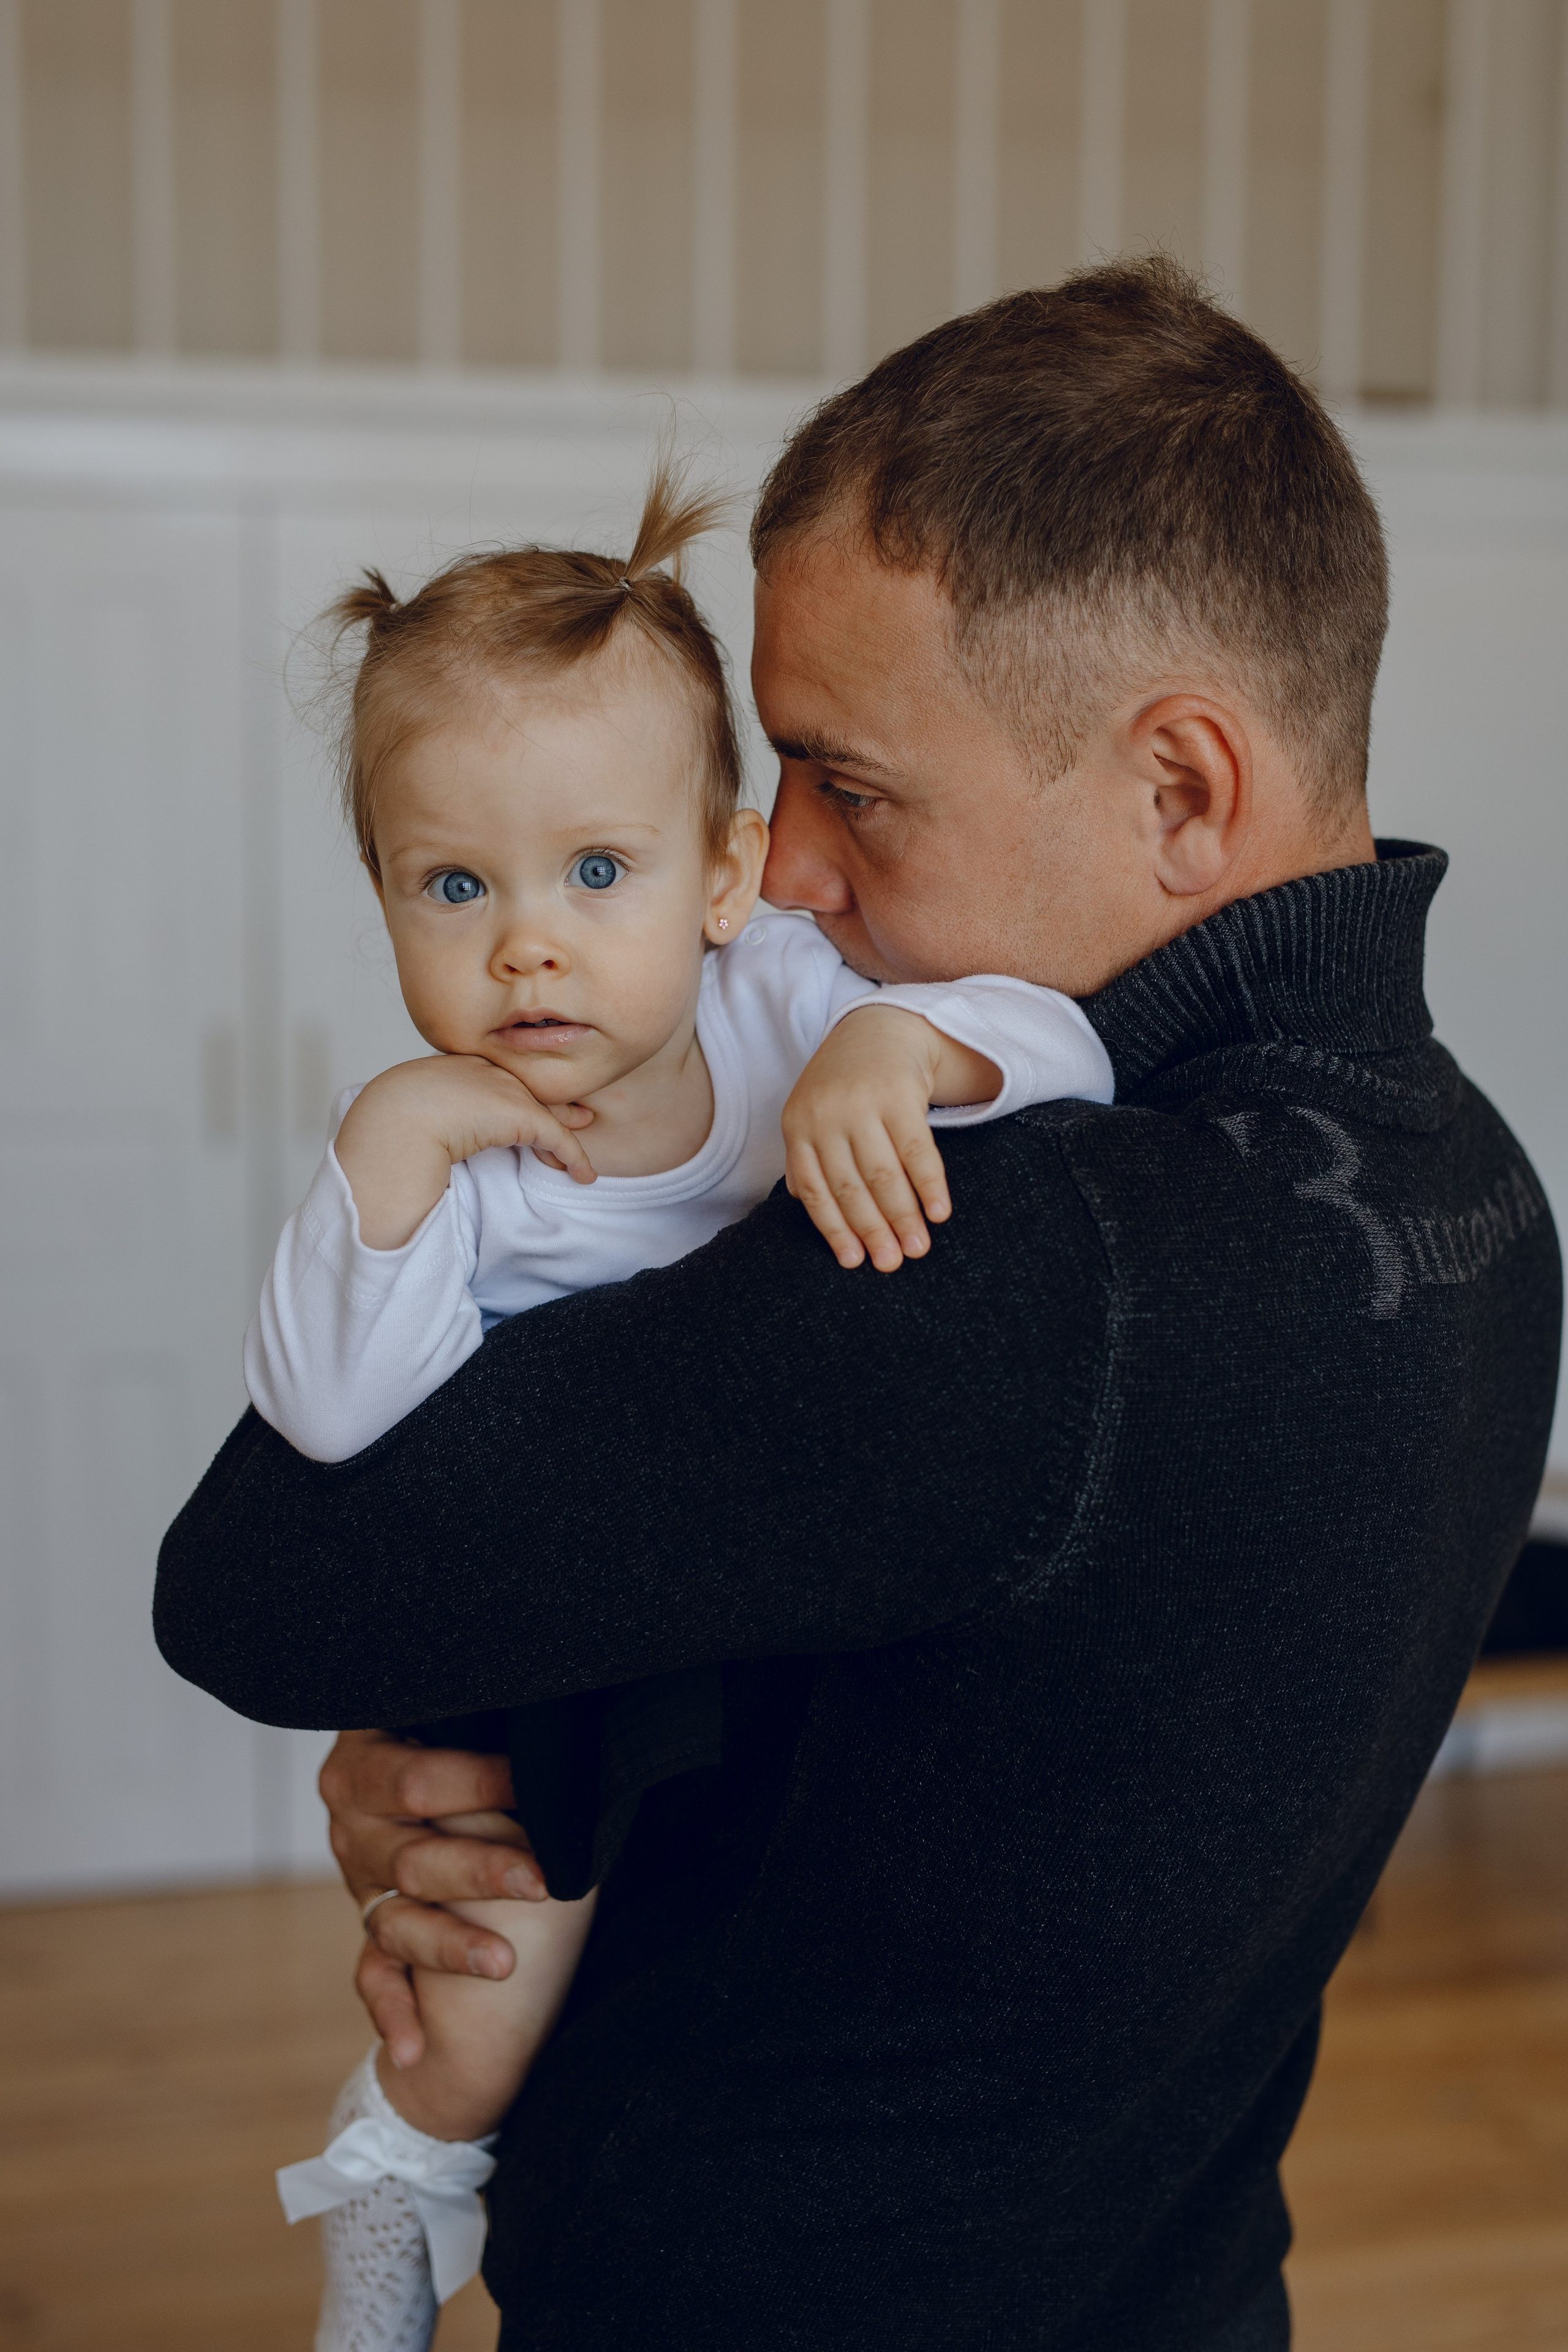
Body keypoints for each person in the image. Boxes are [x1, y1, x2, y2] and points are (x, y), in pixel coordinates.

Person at [156, 260, 1562, 2351]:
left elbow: (253, 1588)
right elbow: (1004, 1716)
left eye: (853, 784)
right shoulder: (1480, 1194)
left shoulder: (1014, 1259)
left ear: (1182, 788)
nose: (783, 868)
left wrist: (451, 1717)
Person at [251, 466, 1110, 2352]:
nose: (526, 943)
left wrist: (909, 1043)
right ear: (388, 895)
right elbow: (324, 1415)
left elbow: (1074, 1051)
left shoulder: (787, 998)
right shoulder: (450, 1142)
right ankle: (394, 2192)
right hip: (551, 1640)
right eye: (453, 886)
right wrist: (389, 1154)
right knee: (488, 1978)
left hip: (760, 1595)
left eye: (596, 873)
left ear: (722, 876)